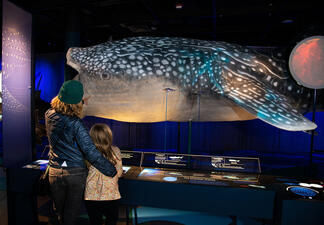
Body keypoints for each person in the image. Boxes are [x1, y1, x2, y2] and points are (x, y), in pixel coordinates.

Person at [45, 80, 117, 225]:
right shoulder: (76, 124)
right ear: (76, 103)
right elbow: (90, 152)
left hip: (54, 170)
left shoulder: (48, 115)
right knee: (70, 215)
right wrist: (111, 170)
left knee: (60, 213)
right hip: (74, 174)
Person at [84, 123, 123, 225]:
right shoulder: (115, 150)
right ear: (109, 135)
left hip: (91, 196)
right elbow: (118, 173)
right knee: (111, 221)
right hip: (111, 196)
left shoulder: (87, 153)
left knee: (95, 222)